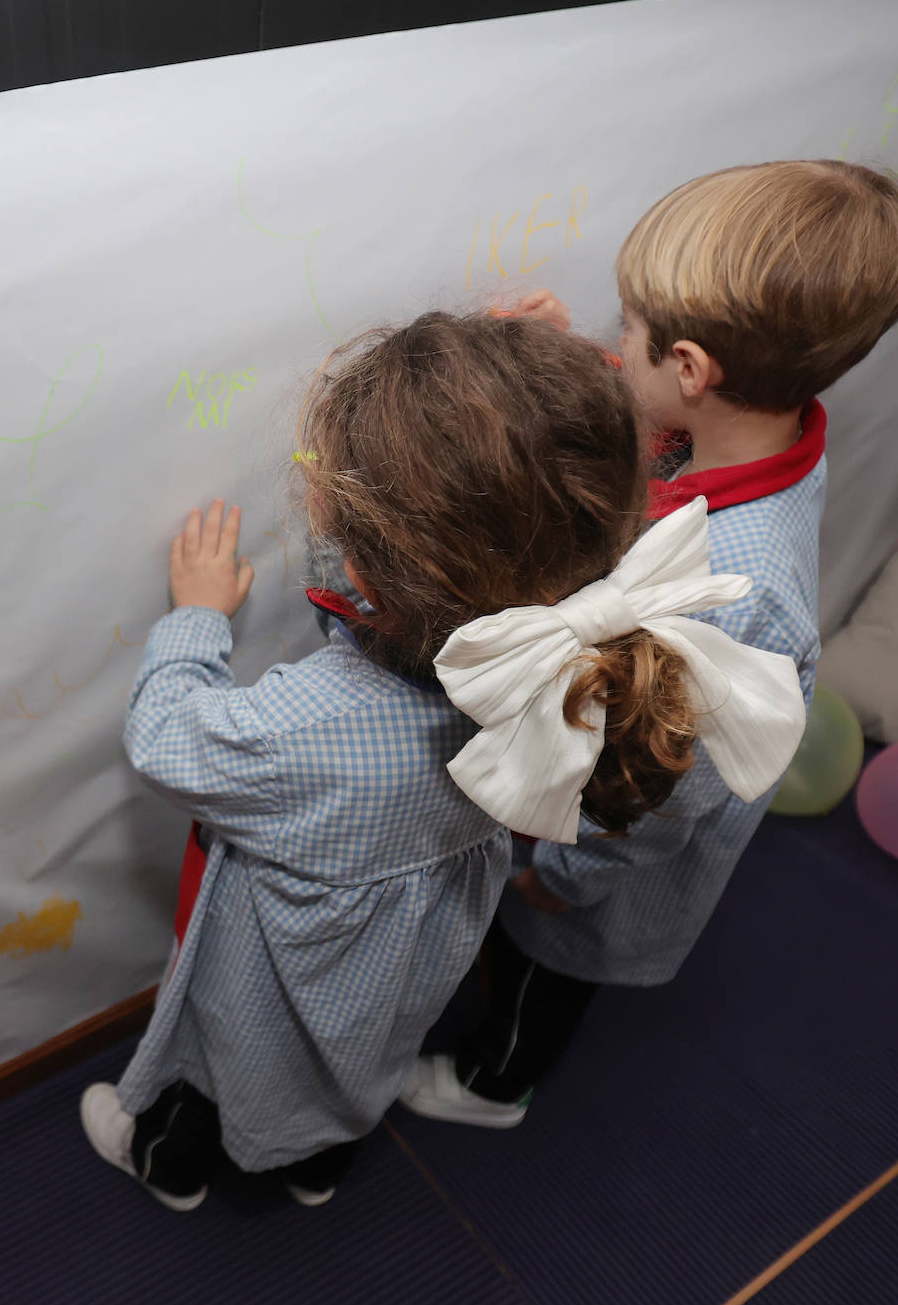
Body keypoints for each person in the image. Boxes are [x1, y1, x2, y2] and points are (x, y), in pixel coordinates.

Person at [78, 311, 806, 1209]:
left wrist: (194, 618)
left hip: (283, 961)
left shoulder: (304, 725)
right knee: (366, 1052)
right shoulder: (567, 661)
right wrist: (502, 390)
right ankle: (317, 1169)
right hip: (418, 950)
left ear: (358, 548)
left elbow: (164, 735)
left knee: (233, 1058)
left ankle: (171, 1166)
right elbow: (427, 571)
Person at [401, 159, 898, 1128]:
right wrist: (581, 364)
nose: (617, 339)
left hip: (605, 850)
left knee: (537, 973)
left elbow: (663, 794)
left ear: (690, 369)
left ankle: (490, 1085)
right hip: (598, 784)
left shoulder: (736, 592)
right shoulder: (767, 419)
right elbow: (666, 429)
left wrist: (565, 877)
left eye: (628, 331)